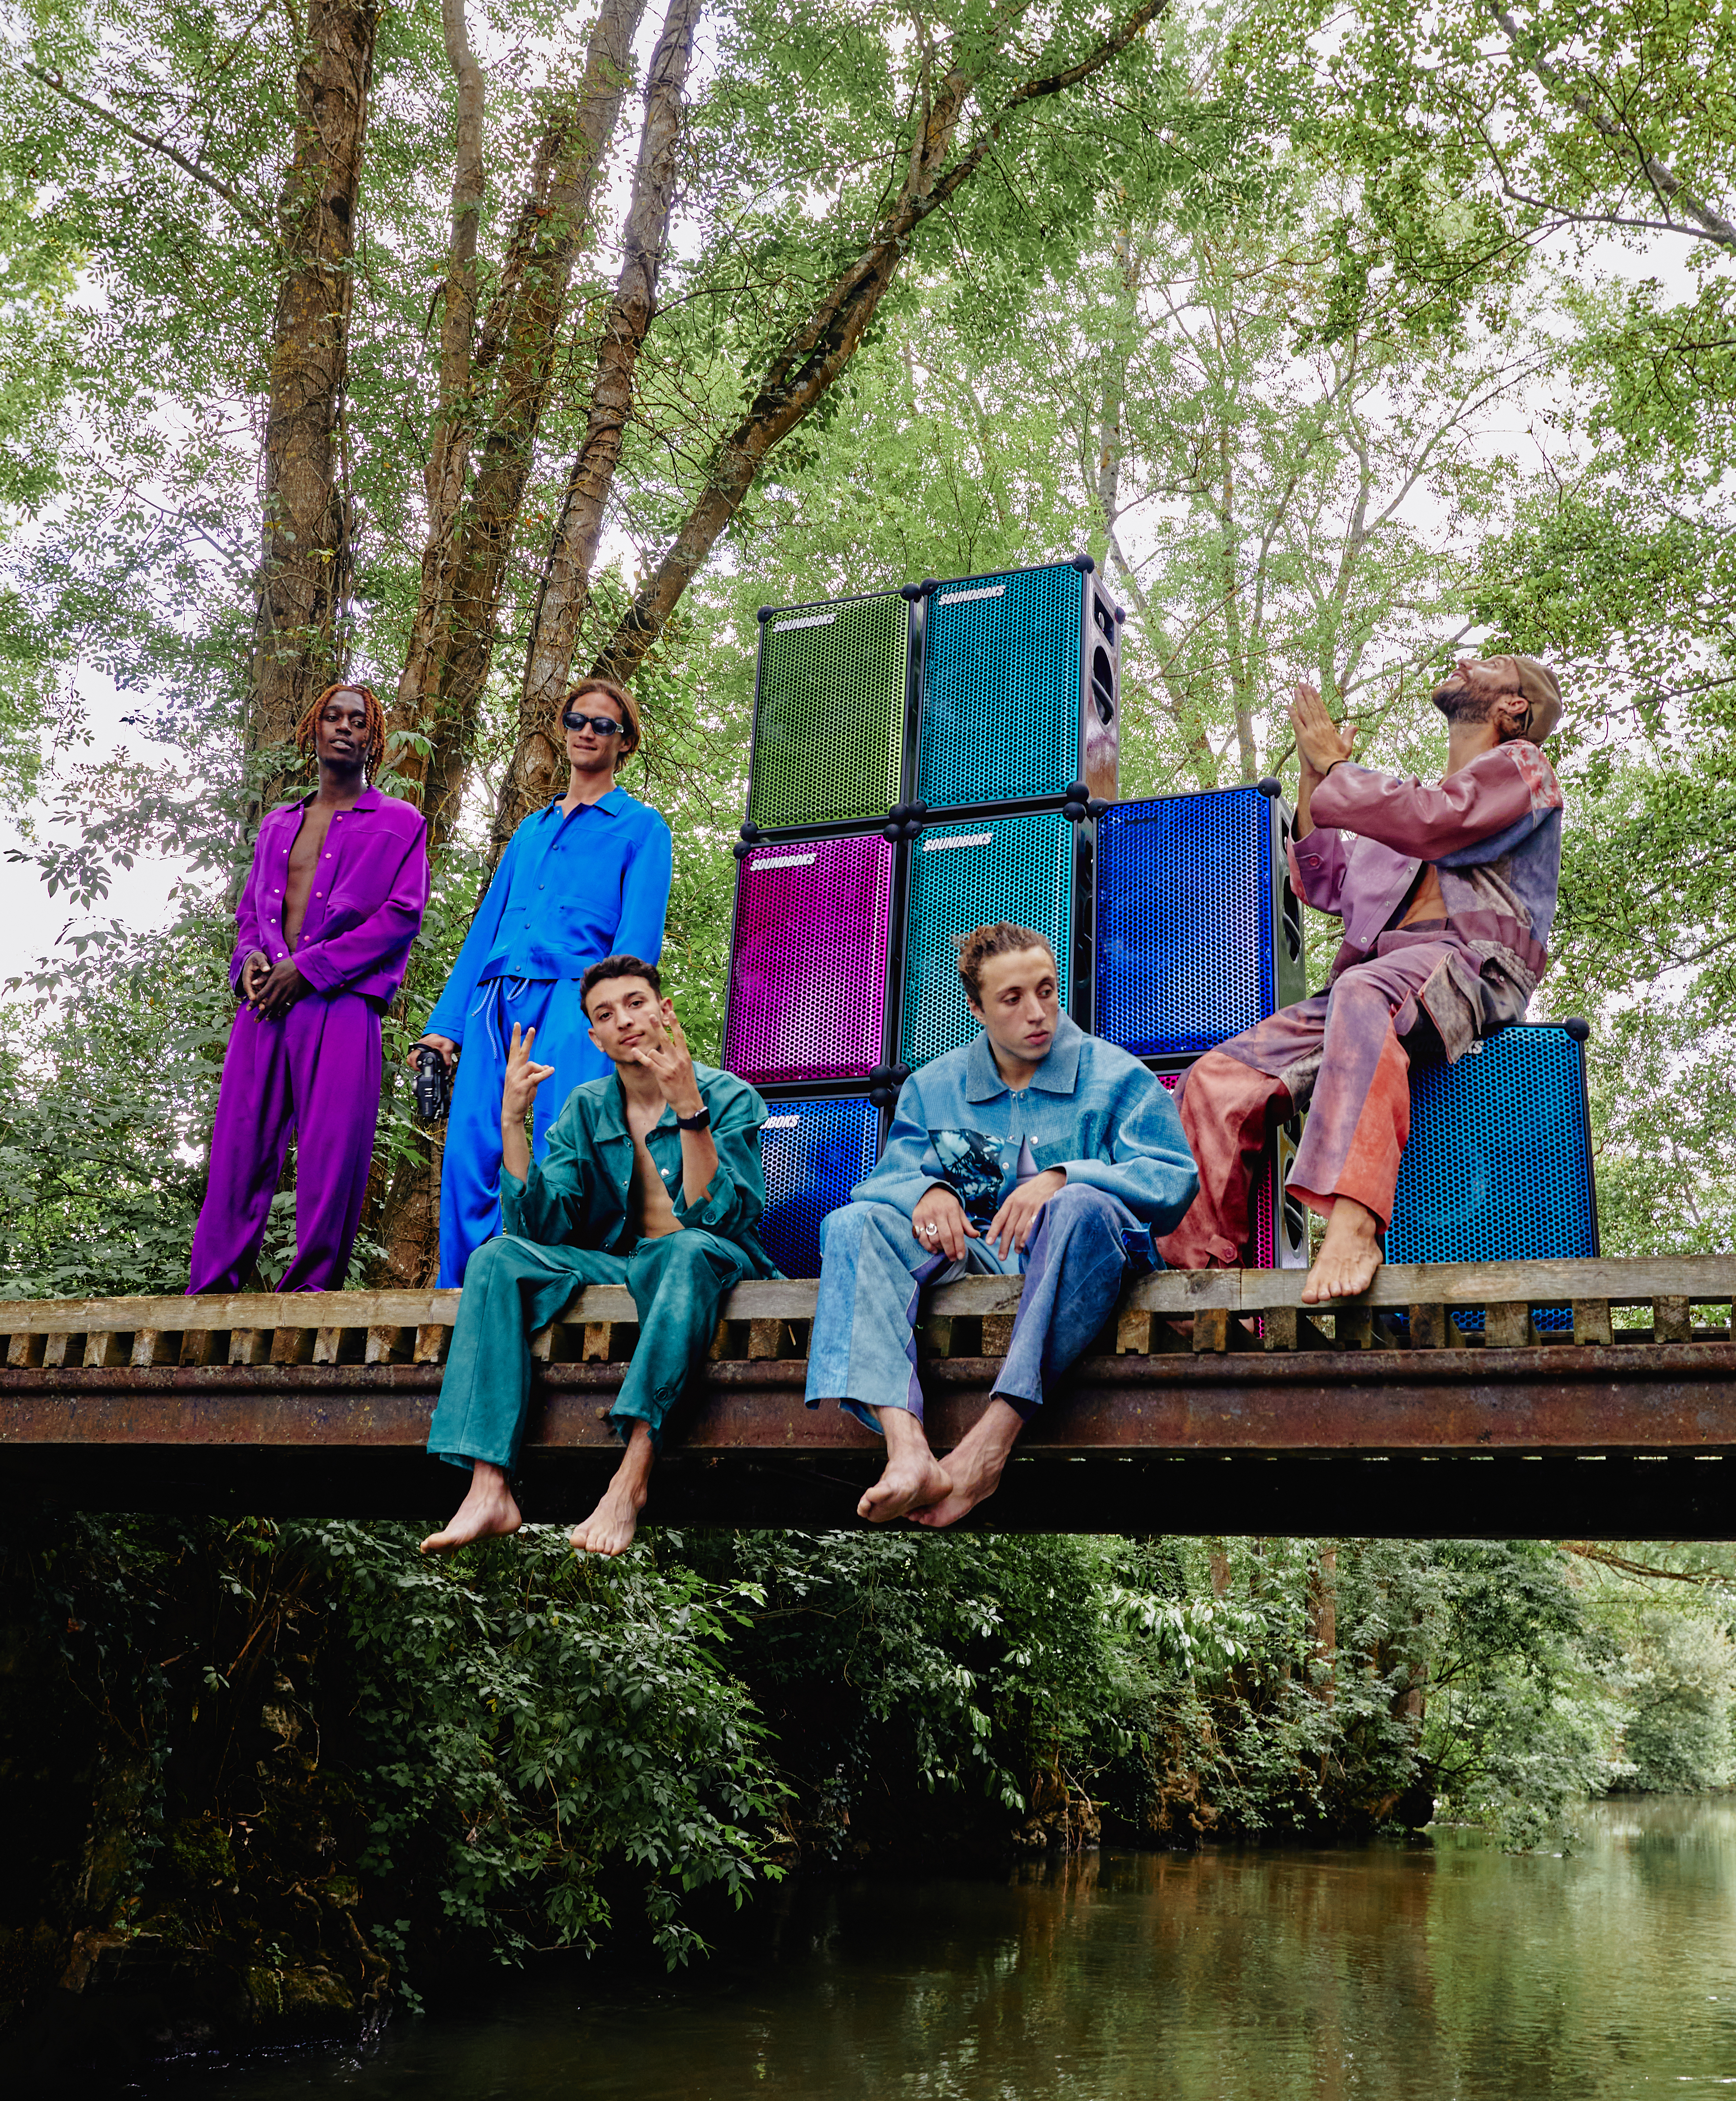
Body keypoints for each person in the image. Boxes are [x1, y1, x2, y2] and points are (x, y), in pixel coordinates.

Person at [1159, 650, 1566, 1304]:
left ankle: (1353, 1224)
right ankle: (1192, 1280)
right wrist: (1314, 776)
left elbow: (1435, 820)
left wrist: (1342, 771)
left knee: (1361, 991)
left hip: (1468, 967)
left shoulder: (1524, 770)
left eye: (1486, 662)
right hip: (1371, 990)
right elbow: (1324, 878)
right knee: (1216, 1079)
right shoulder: (1396, 813)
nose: (1463, 659)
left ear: (1512, 706)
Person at [805, 923, 1198, 1528]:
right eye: (1012, 999)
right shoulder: (931, 1087)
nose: (1037, 1012)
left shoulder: (1117, 1076)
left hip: (1090, 1264)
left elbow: (1173, 1179)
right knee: (852, 1223)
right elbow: (883, 1181)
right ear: (976, 1007)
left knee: (1076, 1206)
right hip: (980, 1259)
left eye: (1046, 989)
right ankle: (906, 1449)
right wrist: (927, 1190)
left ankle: (990, 1442)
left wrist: (1067, 1176)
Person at [418, 954, 777, 1559]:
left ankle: (630, 1475)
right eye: (605, 1014)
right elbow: (539, 1224)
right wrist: (512, 1121)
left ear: (664, 1010)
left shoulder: (727, 1094)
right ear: (594, 1036)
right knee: (497, 1258)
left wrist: (690, 1112)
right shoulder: (587, 1106)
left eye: (636, 1003)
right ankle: (487, 1487)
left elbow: (720, 1218)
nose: (624, 1021)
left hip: (710, 1261)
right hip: (626, 1265)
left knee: (684, 1248)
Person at [413, 678, 672, 1287]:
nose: (587, 731)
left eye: (603, 724)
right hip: (493, 998)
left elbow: (636, 939)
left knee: (566, 1133)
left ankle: (557, 1272)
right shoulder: (530, 829)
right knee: (472, 1142)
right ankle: (466, 1283)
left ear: (624, 741)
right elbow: (484, 931)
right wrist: (444, 1029)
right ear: (563, 727)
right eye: (577, 719)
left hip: (573, 997)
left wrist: (616, 1018)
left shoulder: (641, 826)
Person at [187, 682, 430, 1294]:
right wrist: (248, 962)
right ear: (313, 731)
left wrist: (312, 967)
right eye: (332, 716)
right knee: (239, 1145)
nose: (344, 727)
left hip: (341, 1005)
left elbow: (401, 916)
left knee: (332, 1151)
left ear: (373, 738)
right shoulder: (277, 824)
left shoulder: (400, 823)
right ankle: (212, 1289)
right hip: (265, 1006)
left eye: (358, 720)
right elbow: (250, 914)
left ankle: (310, 1293)